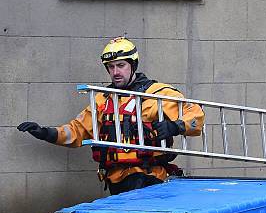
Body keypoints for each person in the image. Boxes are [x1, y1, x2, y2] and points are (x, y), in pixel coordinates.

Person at [17, 37, 204, 195]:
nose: (115, 72)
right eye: (111, 67)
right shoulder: (102, 99)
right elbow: (77, 131)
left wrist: (175, 126)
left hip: (149, 176)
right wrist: (45, 133)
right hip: (115, 178)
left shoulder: (157, 94)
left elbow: (195, 114)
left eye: (121, 65)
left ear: (133, 65)